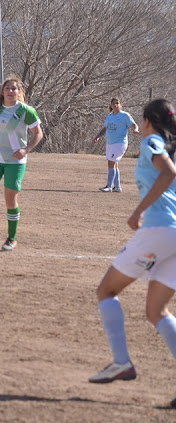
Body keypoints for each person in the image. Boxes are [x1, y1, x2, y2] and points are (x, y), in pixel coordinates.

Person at [88, 99, 176, 407]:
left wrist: (139, 211)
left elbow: (168, 173)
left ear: (148, 122)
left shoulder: (152, 142)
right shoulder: (170, 146)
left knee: (106, 291)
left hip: (158, 231)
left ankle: (121, 362)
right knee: (156, 311)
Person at [0, 76, 43, 251]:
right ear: (2, 92)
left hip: (15, 161)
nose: (10, 91)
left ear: (19, 92)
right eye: (7, 88)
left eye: (14, 89)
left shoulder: (26, 111)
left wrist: (25, 150)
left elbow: (38, 134)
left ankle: (12, 238)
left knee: (10, 200)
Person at [92, 98, 139, 192]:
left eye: (117, 103)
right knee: (115, 164)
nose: (115, 105)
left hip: (120, 143)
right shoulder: (109, 116)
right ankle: (117, 187)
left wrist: (135, 129)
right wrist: (98, 136)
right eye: (113, 103)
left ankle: (109, 186)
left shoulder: (124, 115)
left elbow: (134, 124)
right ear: (111, 105)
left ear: (120, 105)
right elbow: (105, 128)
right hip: (110, 142)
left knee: (111, 163)